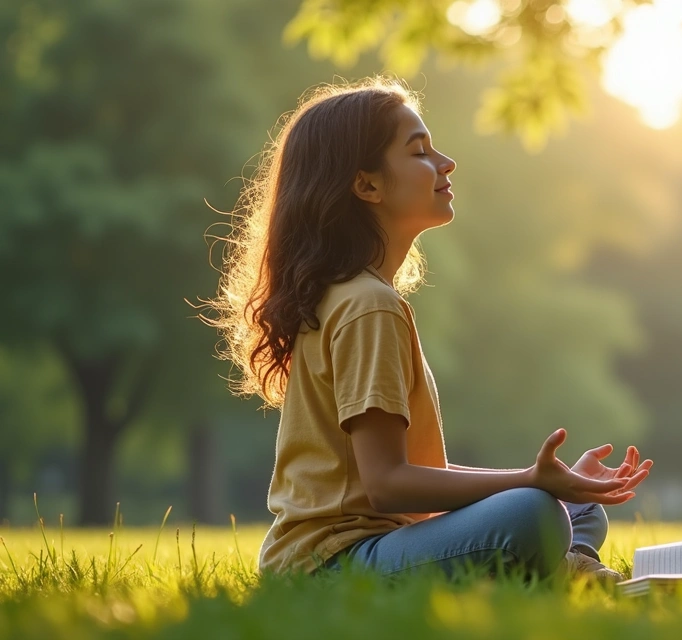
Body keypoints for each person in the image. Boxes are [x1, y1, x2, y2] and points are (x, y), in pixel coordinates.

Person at [205, 78, 652, 581]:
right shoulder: (367, 305)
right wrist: (530, 483)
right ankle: (566, 571)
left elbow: (416, 473)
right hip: (334, 564)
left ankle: (558, 568)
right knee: (533, 512)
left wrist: (551, 480)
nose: (446, 162)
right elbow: (387, 485)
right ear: (367, 185)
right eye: (419, 151)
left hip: (388, 544)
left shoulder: (357, 295)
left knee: (578, 507)